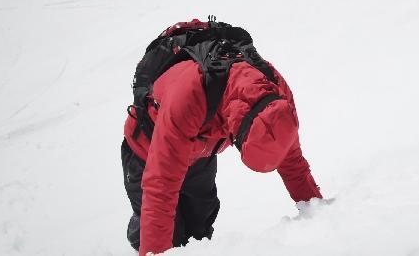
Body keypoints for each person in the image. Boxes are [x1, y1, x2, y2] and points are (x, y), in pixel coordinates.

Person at [121, 33, 321, 254]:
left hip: (200, 153)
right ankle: (138, 229)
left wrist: (322, 217)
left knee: (200, 229)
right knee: (172, 234)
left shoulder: (274, 89)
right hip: (147, 153)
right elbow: (160, 188)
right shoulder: (189, 96)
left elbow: (293, 164)